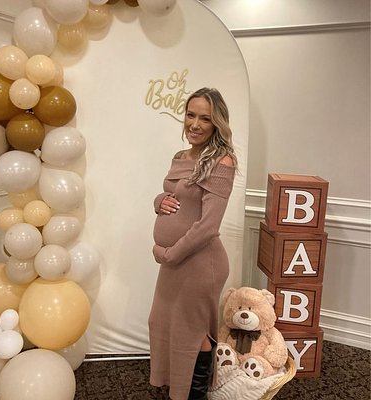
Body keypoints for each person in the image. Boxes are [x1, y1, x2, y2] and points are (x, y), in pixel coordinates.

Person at [148, 87, 238, 400]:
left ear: (217, 124)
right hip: (174, 262)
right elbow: (177, 196)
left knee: (192, 333)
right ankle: (179, 389)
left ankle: (195, 395)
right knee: (161, 323)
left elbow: (208, 226)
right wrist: (159, 201)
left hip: (200, 263)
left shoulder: (222, 162)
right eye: (190, 115)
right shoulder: (181, 157)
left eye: (205, 118)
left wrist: (169, 253)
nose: (195, 124)